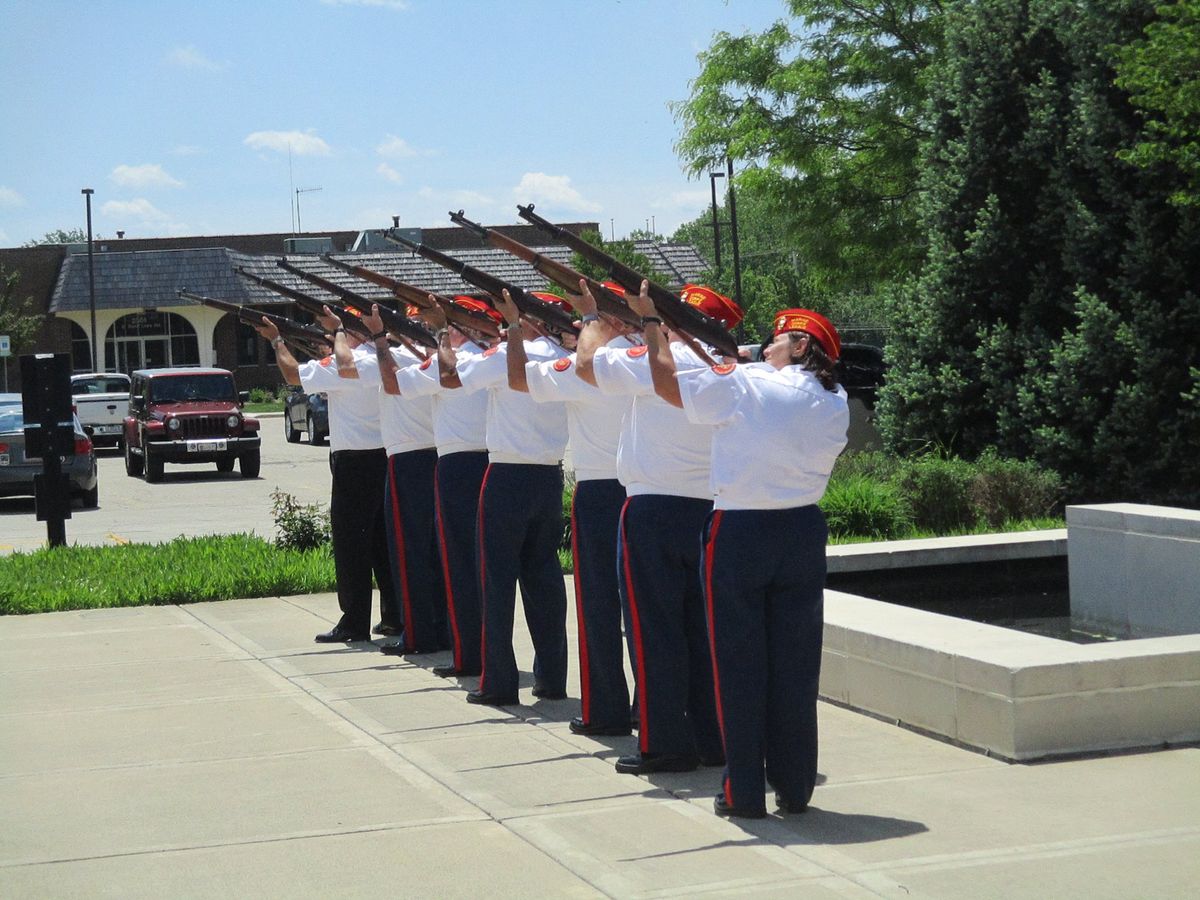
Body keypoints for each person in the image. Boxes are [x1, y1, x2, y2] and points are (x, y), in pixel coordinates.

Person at [634, 293, 849, 819]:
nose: (768, 343)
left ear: (800, 345)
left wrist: (653, 326)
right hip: (801, 529)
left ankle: (743, 789)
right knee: (795, 669)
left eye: (779, 337)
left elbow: (665, 383)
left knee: (738, 666)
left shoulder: (746, 383)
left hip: (741, 531)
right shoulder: (836, 397)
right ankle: (795, 786)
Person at [572, 281, 742, 775]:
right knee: (701, 633)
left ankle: (664, 741)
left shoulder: (658, 360)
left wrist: (595, 322)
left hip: (653, 509)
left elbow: (586, 364)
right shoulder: (726, 366)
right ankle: (712, 738)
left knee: (654, 633)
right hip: (708, 509)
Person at [500, 287, 635, 735]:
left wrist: (516, 327)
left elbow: (519, 378)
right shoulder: (641, 358)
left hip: (600, 493)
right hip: (645, 491)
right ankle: (650, 709)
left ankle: (606, 709)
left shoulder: (590, 366)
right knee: (645, 613)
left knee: (598, 609)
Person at [440, 291, 572, 706]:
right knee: (544, 581)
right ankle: (551, 677)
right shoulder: (559, 357)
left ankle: (498, 680)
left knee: (495, 583)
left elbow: (451, 377)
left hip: (507, 476)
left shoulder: (505, 354)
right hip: (549, 475)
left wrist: (445, 337)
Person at [255, 310, 399, 643]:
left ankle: (354, 621)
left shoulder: (343, 364)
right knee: (382, 543)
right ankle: (395, 615)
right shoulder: (380, 358)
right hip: (383, 456)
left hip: (353, 461)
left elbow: (292, 374)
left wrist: (277, 339)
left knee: (351, 545)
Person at [393, 297, 498, 677]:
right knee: (481, 567)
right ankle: (480, 652)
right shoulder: (487, 357)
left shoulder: (453, 359)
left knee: (460, 566)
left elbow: (394, 384)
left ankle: (468, 655)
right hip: (488, 460)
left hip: (456, 465)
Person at [341, 306, 446, 654]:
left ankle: (418, 633)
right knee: (430, 552)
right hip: (430, 456)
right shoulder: (429, 357)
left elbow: (382, 377)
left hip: (408, 459)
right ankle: (436, 627)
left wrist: (376, 338)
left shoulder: (392, 356)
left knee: (409, 552)